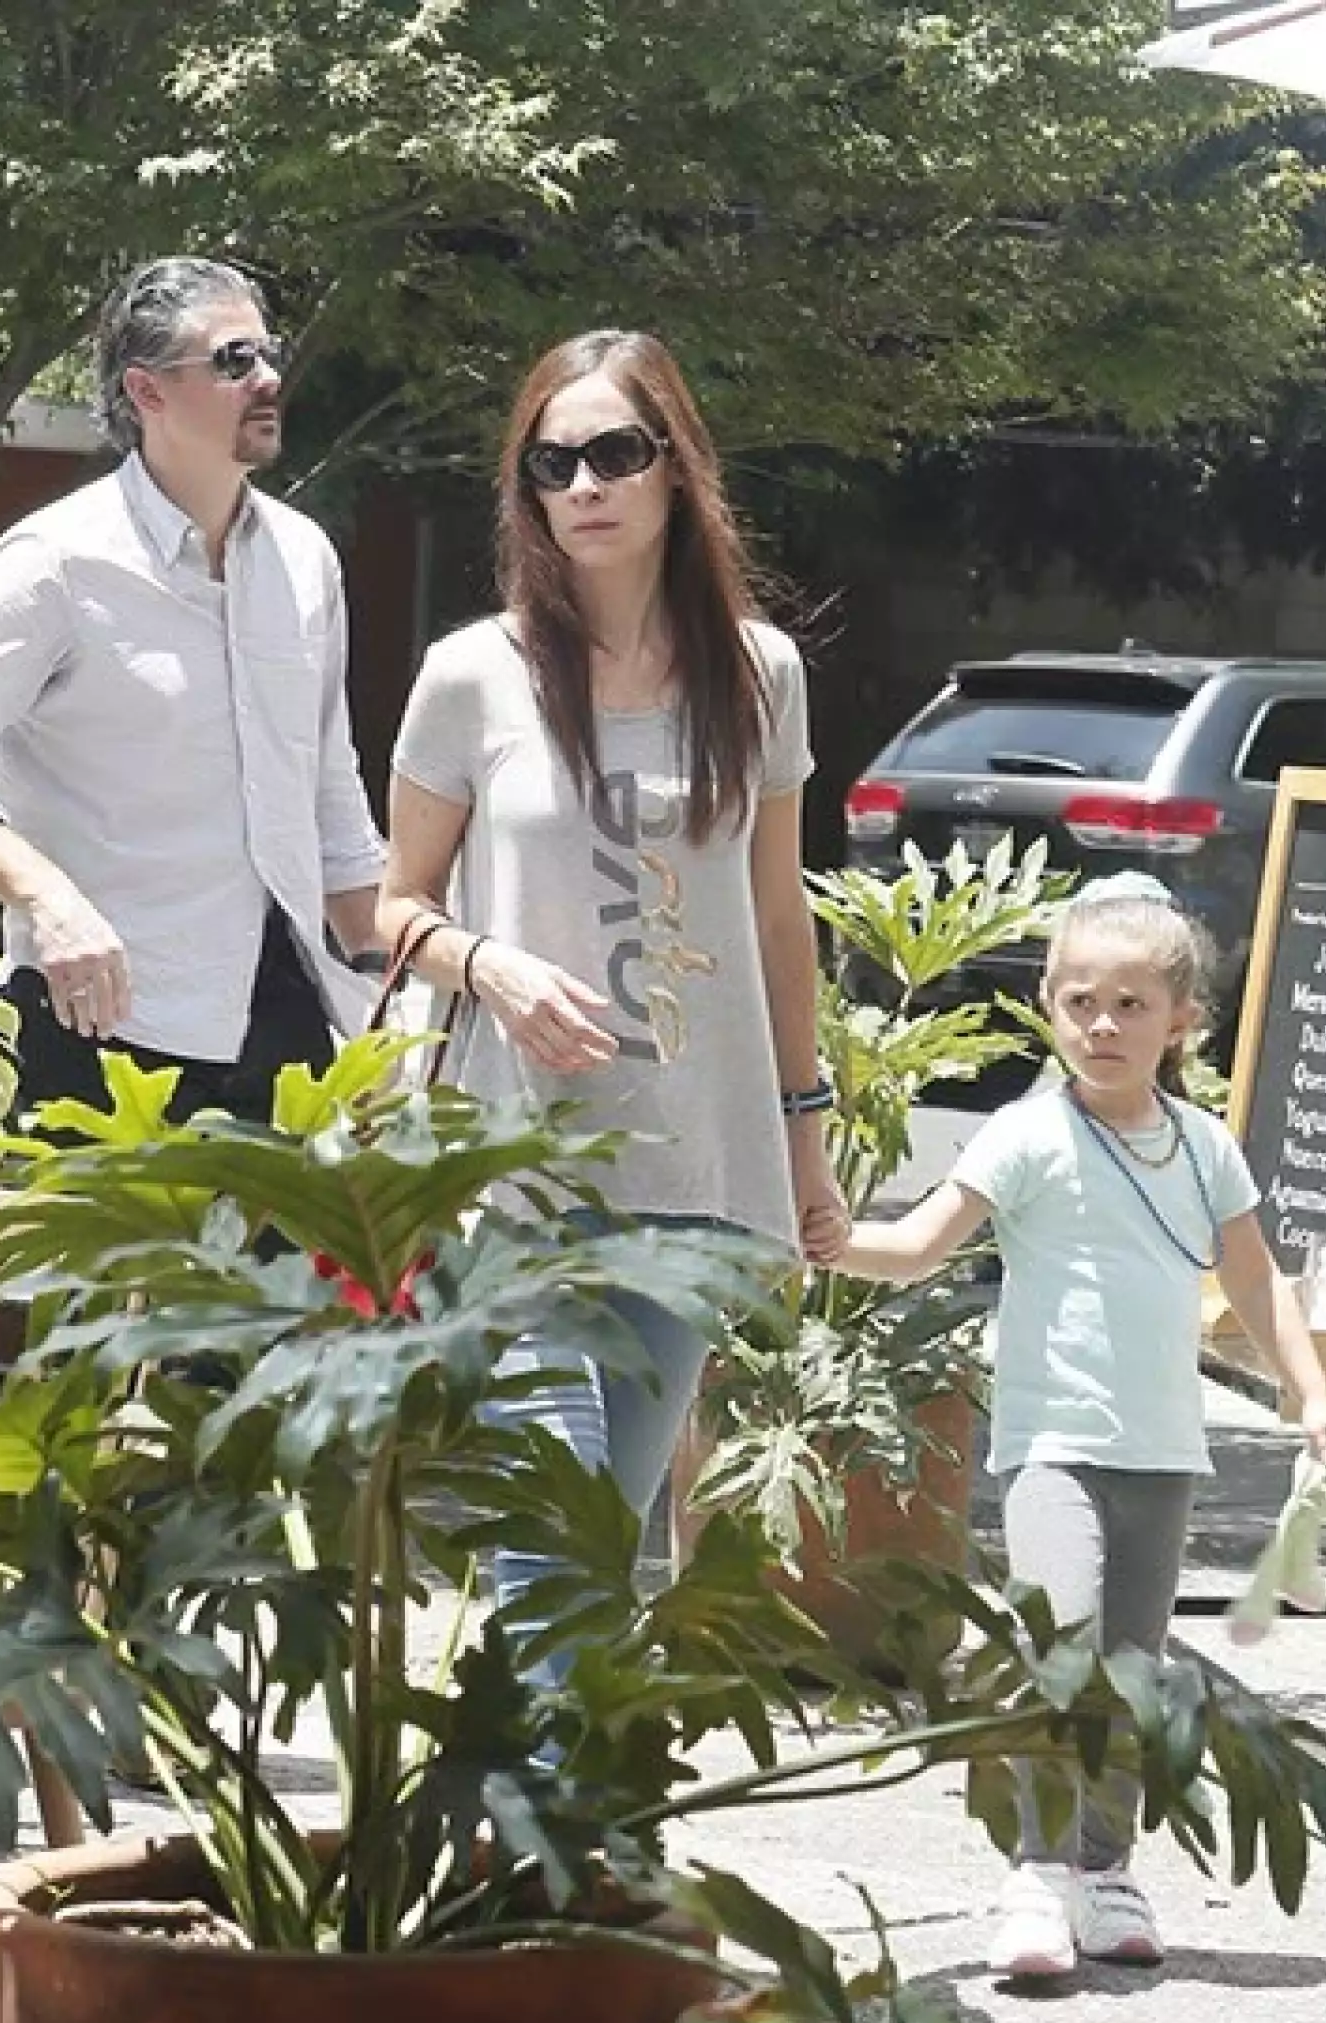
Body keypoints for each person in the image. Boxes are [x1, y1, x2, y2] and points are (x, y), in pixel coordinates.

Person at [377, 326, 848, 1598]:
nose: (582, 486)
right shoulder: (473, 676)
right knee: (553, 1537)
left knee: (598, 1553)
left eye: (615, 453)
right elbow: (393, 906)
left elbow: (773, 919)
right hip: (517, 1175)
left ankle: (526, 1792)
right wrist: (491, 969)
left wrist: (804, 1141)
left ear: (676, 467)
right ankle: (550, 1793)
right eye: (550, 463)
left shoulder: (760, 674)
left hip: (690, 1171)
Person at [837, 873, 1326, 1981]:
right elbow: (919, 1243)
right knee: (1054, 1650)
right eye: (1077, 1001)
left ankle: (1108, 1868)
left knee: (1131, 1667)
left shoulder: (1206, 1147)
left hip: (1163, 1453)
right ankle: (1038, 1870)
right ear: (1050, 1011)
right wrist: (818, 1236)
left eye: (1128, 1004)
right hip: (1049, 1446)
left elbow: (1258, 1286)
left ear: (1181, 1023)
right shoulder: (1024, 1136)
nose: (1100, 1024)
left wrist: (1310, 1391)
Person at [0, 256, 385, 1125]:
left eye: (267, 353)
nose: (267, 378)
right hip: (103, 1025)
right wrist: (47, 900)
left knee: (289, 1269)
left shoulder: (306, 561)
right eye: (232, 361)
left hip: (284, 1026)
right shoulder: (59, 561)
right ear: (147, 392)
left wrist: (389, 988)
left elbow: (332, 800)